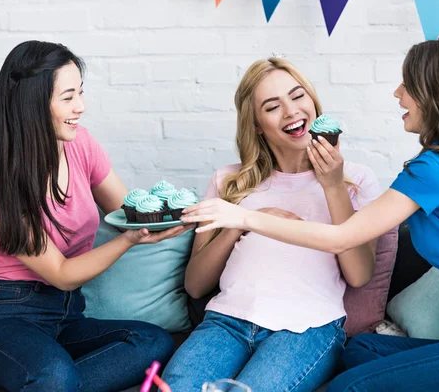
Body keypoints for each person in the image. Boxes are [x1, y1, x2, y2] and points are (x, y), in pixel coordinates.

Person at [180, 38, 439, 392]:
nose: (397, 93)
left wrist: (244, 218)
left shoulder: (434, 169)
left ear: (436, 94)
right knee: (364, 348)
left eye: (407, 84)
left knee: (348, 387)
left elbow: (342, 238)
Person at [0, 40, 192, 392]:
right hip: (7, 318)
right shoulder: (1, 187)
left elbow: (125, 210)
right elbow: (62, 274)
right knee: (54, 376)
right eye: (68, 97)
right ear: (32, 103)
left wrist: (172, 216)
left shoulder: (80, 144)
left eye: (80, 93)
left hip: (66, 315)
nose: (80, 107)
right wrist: (130, 240)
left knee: (152, 341)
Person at [161, 57, 382, 391]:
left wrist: (333, 185)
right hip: (226, 323)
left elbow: (360, 274)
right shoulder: (228, 182)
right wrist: (240, 222)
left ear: (313, 102)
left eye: (297, 96)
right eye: (272, 106)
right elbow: (195, 285)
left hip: (307, 328)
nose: (291, 111)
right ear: (257, 125)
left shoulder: (357, 180)